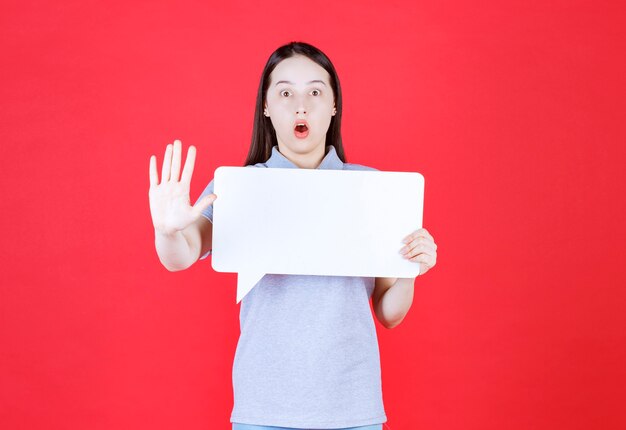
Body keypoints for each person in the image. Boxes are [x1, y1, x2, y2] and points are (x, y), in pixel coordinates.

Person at [148, 41, 438, 430]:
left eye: (315, 92)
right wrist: (167, 230)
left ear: (334, 105)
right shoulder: (238, 187)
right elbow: (181, 255)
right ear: (266, 107)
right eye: (285, 93)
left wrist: (408, 270)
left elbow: (389, 314)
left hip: (352, 408)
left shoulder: (373, 190)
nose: (301, 106)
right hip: (264, 408)